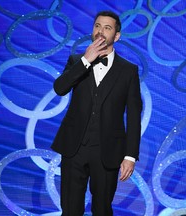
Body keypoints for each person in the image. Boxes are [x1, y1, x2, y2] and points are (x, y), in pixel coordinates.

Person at [51, 10, 142, 216]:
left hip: (108, 151)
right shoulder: (76, 61)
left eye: (107, 28)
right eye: (97, 26)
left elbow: (134, 115)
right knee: (70, 209)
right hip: (74, 148)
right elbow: (59, 88)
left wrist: (130, 155)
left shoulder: (128, 71)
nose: (101, 31)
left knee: (102, 209)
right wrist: (86, 60)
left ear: (116, 36)